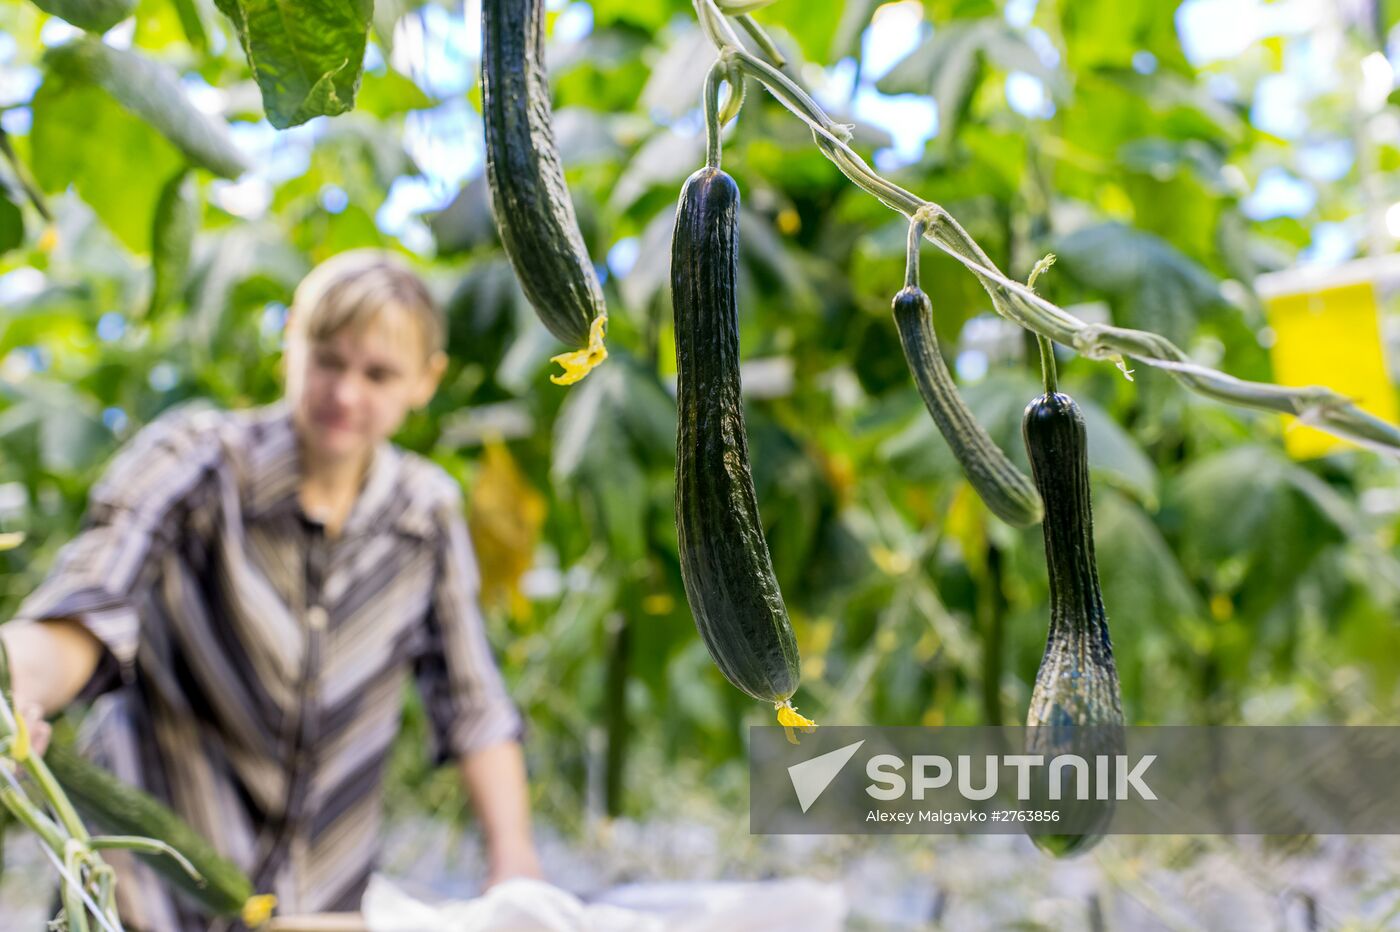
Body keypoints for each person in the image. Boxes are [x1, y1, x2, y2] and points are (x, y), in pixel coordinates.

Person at [0, 249, 542, 930]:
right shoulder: (198, 462)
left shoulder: (423, 513)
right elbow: (88, 607)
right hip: (147, 899)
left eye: (378, 374)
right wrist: (11, 680)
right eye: (328, 361)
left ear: (426, 380)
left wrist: (515, 863)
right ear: (291, 341)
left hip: (319, 907)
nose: (345, 394)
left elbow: (473, 704)